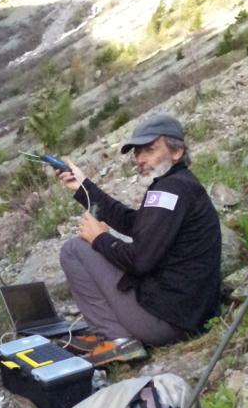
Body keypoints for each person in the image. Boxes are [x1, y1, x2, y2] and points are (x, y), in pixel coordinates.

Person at [57, 113, 221, 366]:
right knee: (90, 248)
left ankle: (118, 341)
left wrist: (100, 238)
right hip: (184, 315)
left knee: (74, 250)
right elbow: (135, 224)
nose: (139, 159)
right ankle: (115, 335)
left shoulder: (170, 191)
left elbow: (140, 262)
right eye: (136, 152)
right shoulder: (178, 185)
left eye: (149, 150)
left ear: (176, 152)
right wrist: (83, 186)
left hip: (166, 322)